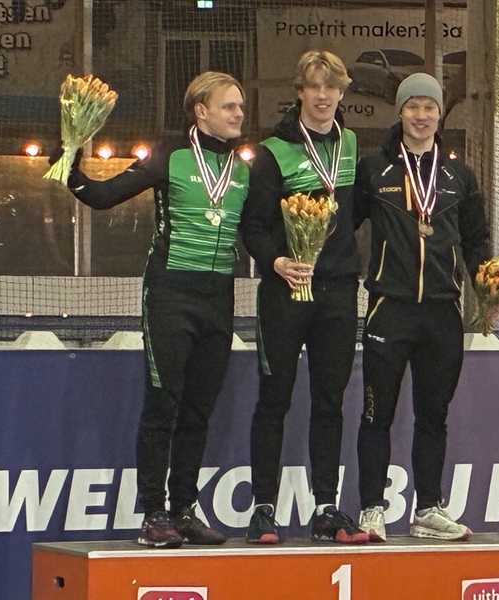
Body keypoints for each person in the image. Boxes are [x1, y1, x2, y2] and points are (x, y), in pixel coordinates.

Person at [57, 71, 249, 548]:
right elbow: (101, 198)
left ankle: (184, 509)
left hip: (219, 299)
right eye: (228, 106)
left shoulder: (249, 167)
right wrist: (69, 162)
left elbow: (267, 226)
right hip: (170, 295)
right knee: (163, 404)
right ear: (200, 110)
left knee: (199, 408)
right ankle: (153, 514)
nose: (238, 114)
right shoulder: (169, 155)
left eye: (241, 106)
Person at [353, 73, 491, 542]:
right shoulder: (374, 170)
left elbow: (475, 240)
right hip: (388, 309)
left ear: (439, 115)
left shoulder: (458, 176)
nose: (420, 115)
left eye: (429, 107)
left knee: (434, 416)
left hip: (441, 312)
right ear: (400, 112)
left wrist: (485, 285)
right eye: (412, 106)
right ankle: (372, 508)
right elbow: (343, 229)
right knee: (377, 414)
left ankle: (428, 507)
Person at [239, 50, 367, 544]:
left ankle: (327, 508)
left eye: (331, 87)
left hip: (337, 292)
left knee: (330, 401)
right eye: (313, 87)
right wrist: (276, 261)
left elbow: (353, 214)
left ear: (341, 92)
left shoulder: (352, 144)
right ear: (299, 92)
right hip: (285, 293)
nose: (322, 96)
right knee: (275, 399)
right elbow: (253, 226)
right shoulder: (273, 151)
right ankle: (264, 511)